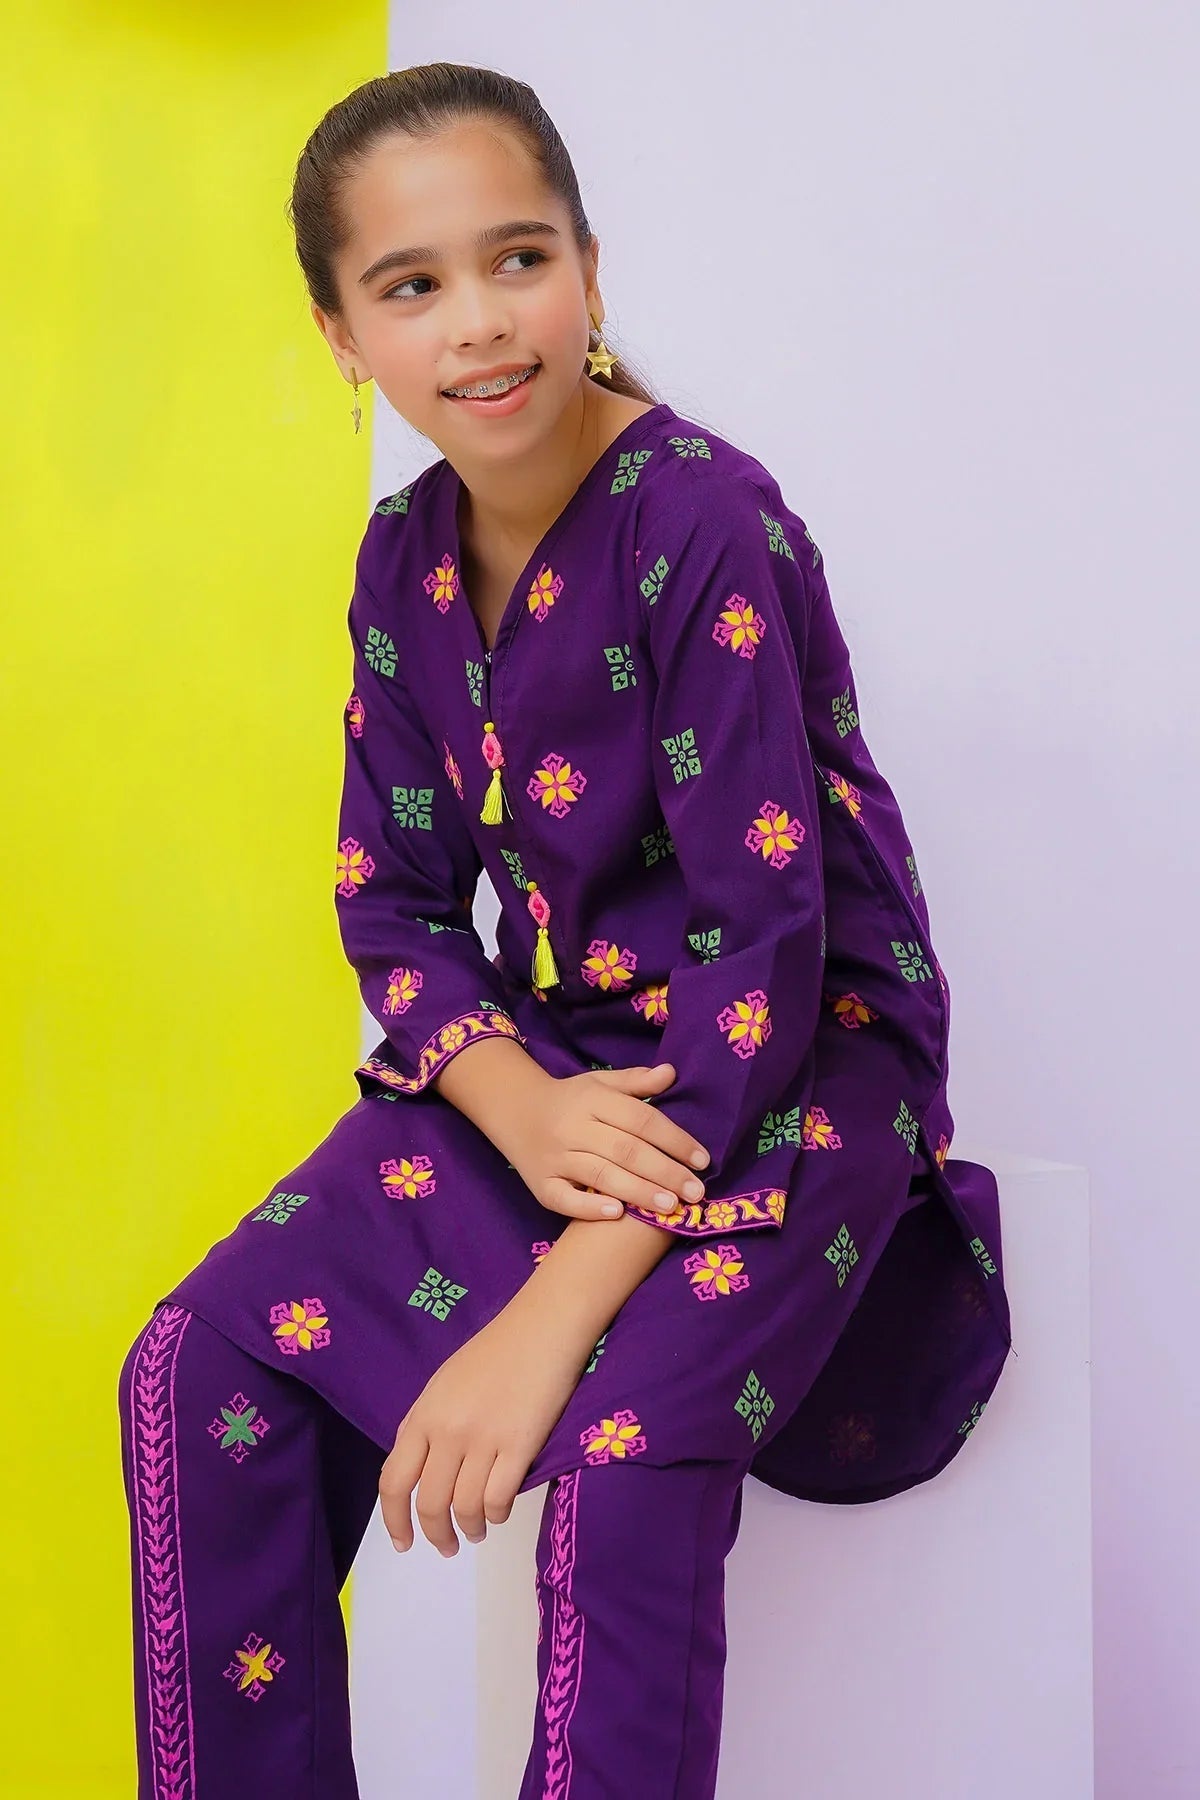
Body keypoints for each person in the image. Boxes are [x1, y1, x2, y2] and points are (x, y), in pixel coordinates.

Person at [117, 60, 1014, 1800]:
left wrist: (545, 1320)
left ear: (589, 273)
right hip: (577, 1061)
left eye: (517, 259)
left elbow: (766, 949)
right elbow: (389, 898)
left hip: (807, 1058)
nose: (478, 321)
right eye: (412, 285)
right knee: (193, 1373)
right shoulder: (400, 558)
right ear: (341, 338)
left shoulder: (705, 518)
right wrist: (520, 1106)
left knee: (615, 1469)